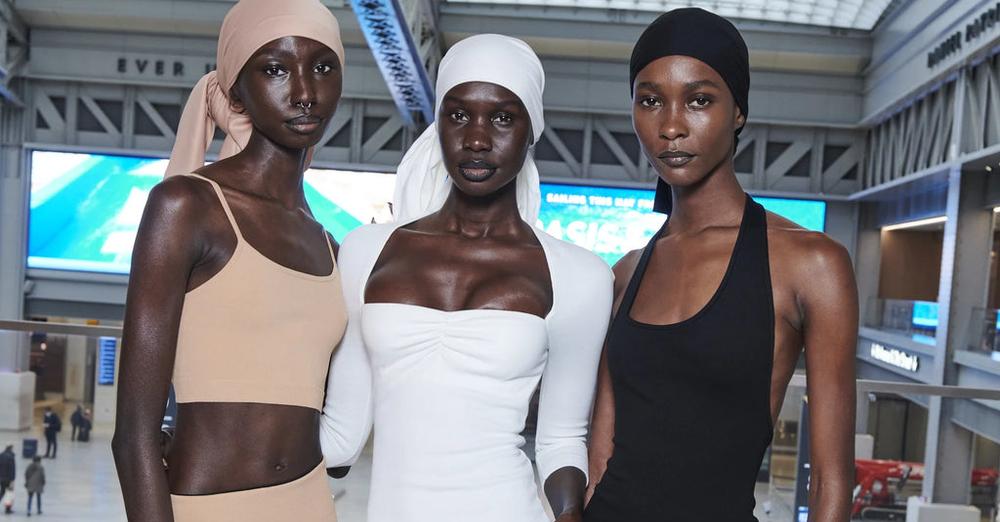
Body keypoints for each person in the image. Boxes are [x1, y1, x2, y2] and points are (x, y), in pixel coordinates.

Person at [320, 34, 613, 522]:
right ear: (437, 123)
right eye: (458, 115)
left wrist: (568, 515)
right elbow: (341, 437)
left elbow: (561, 441)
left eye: (502, 118)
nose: (477, 139)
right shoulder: (366, 252)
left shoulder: (578, 276)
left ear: (531, 131)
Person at [584, 8, 858, 522]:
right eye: (650, 101)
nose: (670, 127)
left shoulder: (812, 264)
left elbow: (830, 479)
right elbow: (599, 456)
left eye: (699, 100)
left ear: (738, 112)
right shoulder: (625, 273)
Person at [110, 1, 348, 521]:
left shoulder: (330, 247)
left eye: (323, 67)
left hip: (312, 505)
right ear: (236, 90)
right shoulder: (187, 207)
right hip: (208, 509)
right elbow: (133, 436)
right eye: (275, 69)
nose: (305, 92)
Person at [0, 445, 13, 514]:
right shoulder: (10, 457)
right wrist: (12, 479)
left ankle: (8, 508)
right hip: (8, 478)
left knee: (2, 492)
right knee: (9, 493)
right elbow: (12, 469)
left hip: (1, 478)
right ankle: (8, 509)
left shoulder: (1, 455)